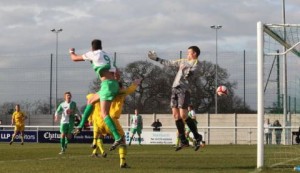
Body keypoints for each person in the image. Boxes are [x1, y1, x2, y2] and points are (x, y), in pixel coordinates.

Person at [148, 46, 204, 151]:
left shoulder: (196, 63)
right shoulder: (183, 61)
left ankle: (197, 136)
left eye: (189, 52)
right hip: (175, 88)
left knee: (183, 115)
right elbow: (170, 62)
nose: (187, 54)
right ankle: (183, 141)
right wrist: (157, 59)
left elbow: (191, 73)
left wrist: (186, 72)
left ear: (195, 54)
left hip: (184, 90)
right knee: (176, 115)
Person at [69, 39, 122, 150]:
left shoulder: (92, 54)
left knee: (104, 114)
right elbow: (118, 73)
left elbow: (74, 59)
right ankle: (80, 126)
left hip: (107, 85)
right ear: (101, 47)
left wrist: (71, 51)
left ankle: (117, 137)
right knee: (91, 101)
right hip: (111, 84)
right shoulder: (108, 55)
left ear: (91, 47)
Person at [86, 79, 141, 168]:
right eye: (122, 86)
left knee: (99, 135)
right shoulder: (120, 93)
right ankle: (122, 162)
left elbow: (89, 97)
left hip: (101, 120)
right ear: (120, 87)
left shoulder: (104, 93)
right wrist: (135, 84)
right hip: (112, 120)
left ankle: (95, 143)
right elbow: (130, 90)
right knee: (122, 140)